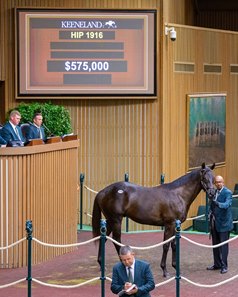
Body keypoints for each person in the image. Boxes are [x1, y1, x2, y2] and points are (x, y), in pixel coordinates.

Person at [207, 175, 233, 274]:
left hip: (224, 224)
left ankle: (224, 266)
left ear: (223, 182)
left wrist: (217, 203)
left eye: (220, 182)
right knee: (215, 245)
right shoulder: (214, 192)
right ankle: (217, 264)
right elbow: (211, 205)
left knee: (223, 246)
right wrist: (209, 212)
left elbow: (227, 205)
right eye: (216, 182)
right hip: (214, 223)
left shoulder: (228, 193)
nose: (218, 183)